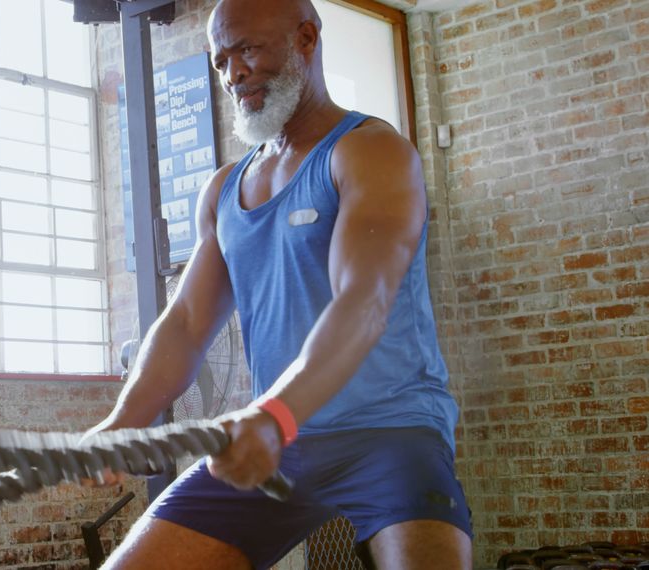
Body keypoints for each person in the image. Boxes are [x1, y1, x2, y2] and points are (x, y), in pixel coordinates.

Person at [81, 0, 473, 568]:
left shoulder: (370, 152)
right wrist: (125, 420)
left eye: (247, 49)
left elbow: (363, 300)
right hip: (280, 444)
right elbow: (188, 324)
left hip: (391, 431)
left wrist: (276, 413)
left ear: (306, 39)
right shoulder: (224, 191)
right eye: (220, 61)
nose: (233, 73)